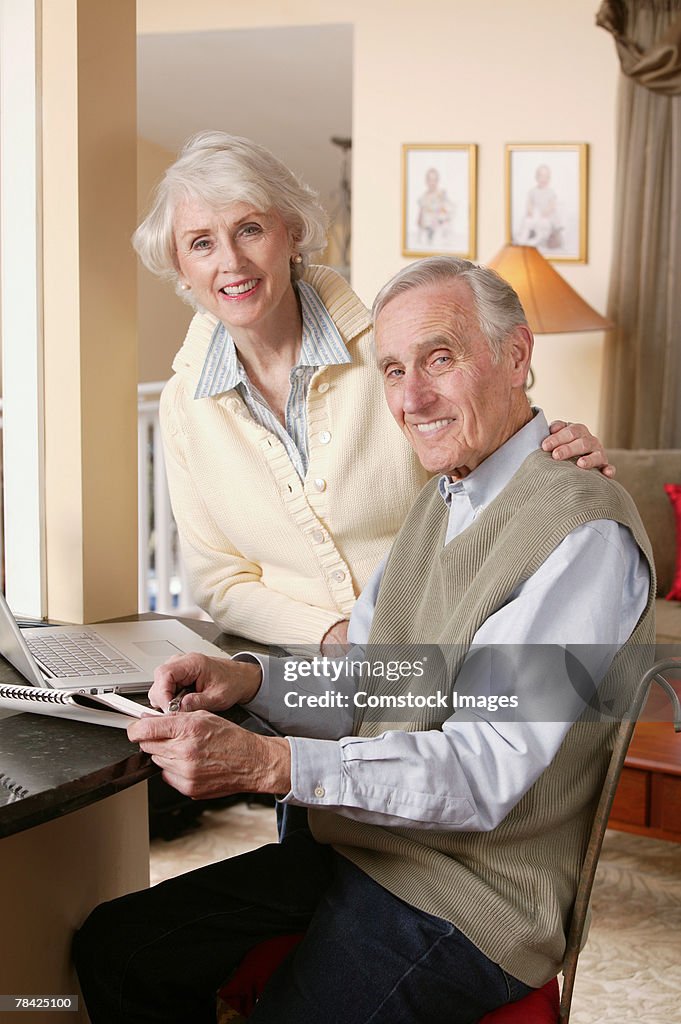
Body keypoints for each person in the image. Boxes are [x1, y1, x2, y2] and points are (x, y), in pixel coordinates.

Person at [74, 257, 655, 1024]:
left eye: (439, 359)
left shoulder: (579, 537)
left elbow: (482, 771)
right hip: (366, 850)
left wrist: (272, 762)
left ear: (515, 356)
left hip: (468, 901)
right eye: (391, 369)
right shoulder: (442, 499)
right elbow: (377, 684)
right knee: (119, 948)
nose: (411, 398)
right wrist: (251, 682)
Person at [133, 131, 610, 654]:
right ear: (181, 267)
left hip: (441, 654)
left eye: (250, 230)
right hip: (298, 666)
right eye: (201, 243)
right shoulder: (184, 405)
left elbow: (492, 466)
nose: (231, 262)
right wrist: (334, 638)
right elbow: (219, 581)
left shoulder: (391, 353)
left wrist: (560, 461)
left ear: (291, 234)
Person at [515, 163, 564, 250]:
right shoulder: (533, 191)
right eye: (541, 176)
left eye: (547, 177)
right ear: (536, 178)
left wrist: (546, 212)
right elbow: (529, 203)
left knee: (543, 225)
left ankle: (538, 239)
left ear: (549, 179)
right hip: (535, 215)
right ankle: (523, 237)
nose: (544, 179)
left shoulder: (550, 192)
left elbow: (552, 205)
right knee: (527, 221)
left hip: (546, 216)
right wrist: (530, 211)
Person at [416, 166, 455, 248]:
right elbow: (419, 220)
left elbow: (448, 215)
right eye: (430, 180)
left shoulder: (442, 196)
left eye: (434, 180)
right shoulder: (423, 198)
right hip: (425, 236)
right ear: (426, 181)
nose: (432, 183)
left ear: (438, 181)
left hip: (439, 236)